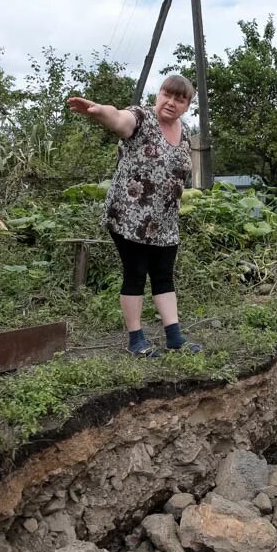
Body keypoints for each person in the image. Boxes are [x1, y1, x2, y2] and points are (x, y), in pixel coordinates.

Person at [67, 75, 201, 357]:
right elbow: (118, 119)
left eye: (180, 99)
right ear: (159, 94)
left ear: (187, 106)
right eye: (168, 95)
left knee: (164, 275)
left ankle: (174, 337)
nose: (171, 103)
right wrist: (99, 111)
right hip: (129, 218)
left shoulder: (185, 131)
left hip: (164, 221)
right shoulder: (141, 118)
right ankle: (136, 338)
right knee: (136, 273)